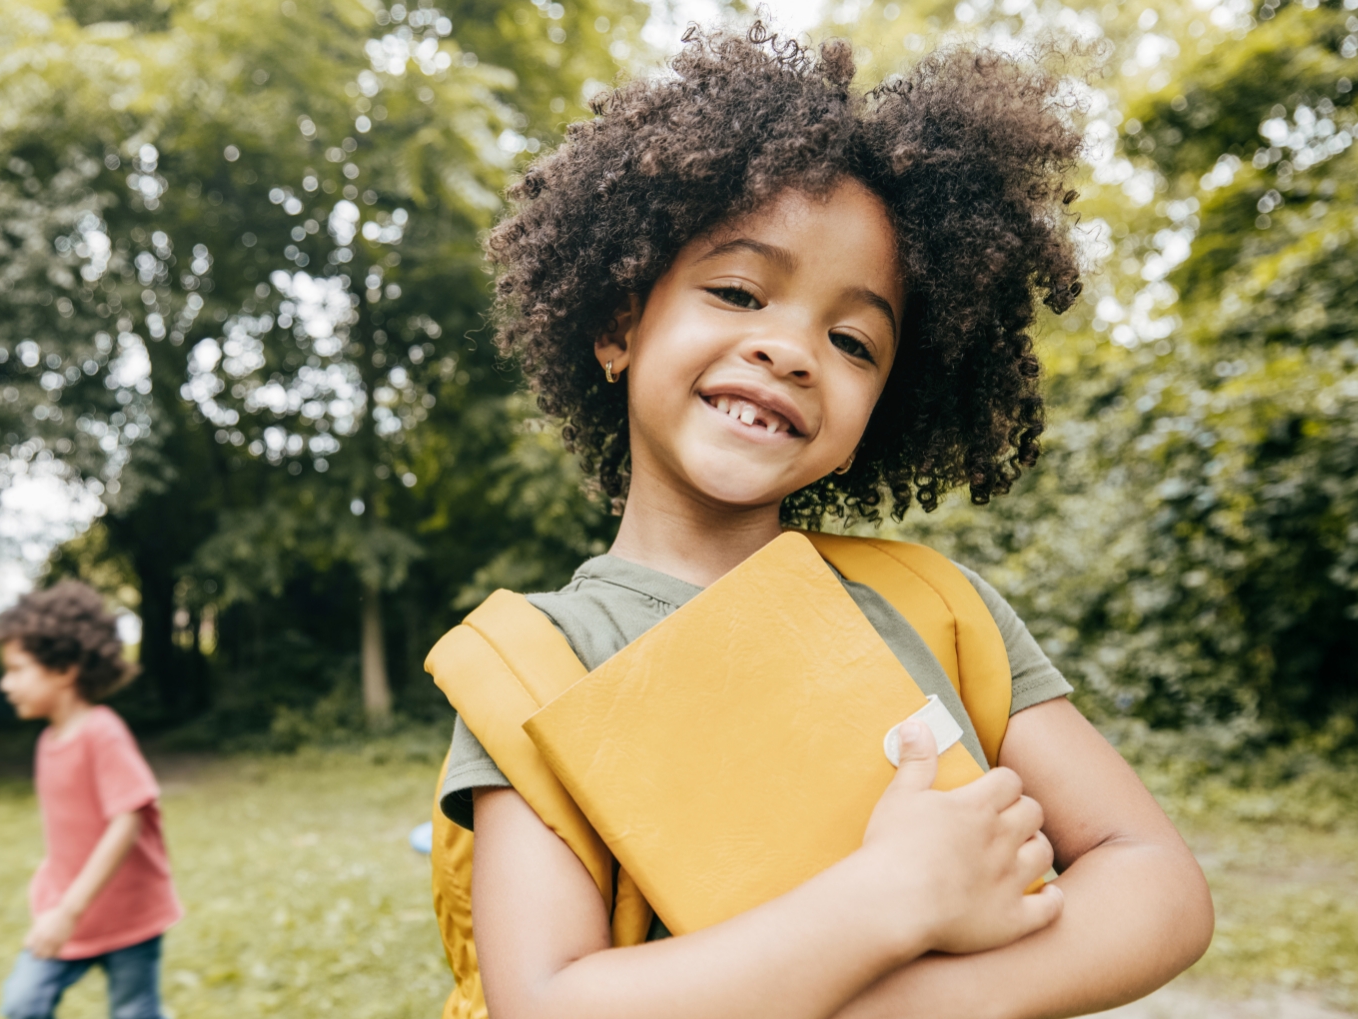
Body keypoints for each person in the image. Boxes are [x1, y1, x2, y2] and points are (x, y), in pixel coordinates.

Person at [432, 23, 1214, 1019]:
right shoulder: (531, 665)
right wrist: (893, 897)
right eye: (737, 290)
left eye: (852, 340)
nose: (792, 350)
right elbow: (547, 998)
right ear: (619, 322)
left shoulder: (935, 606)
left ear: (878, 416)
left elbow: (1156, 881)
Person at [0, 582, 181, 1019]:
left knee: (136, 1013)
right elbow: (70, 827)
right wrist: (51, 880)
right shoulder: (46, 743)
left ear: (64, 670)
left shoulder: (102, 732)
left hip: (128, 916)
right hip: (67, 917)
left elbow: (126, 820)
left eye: (17, 669)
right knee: (22, 1004)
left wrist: (69, 910)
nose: (6, 684)